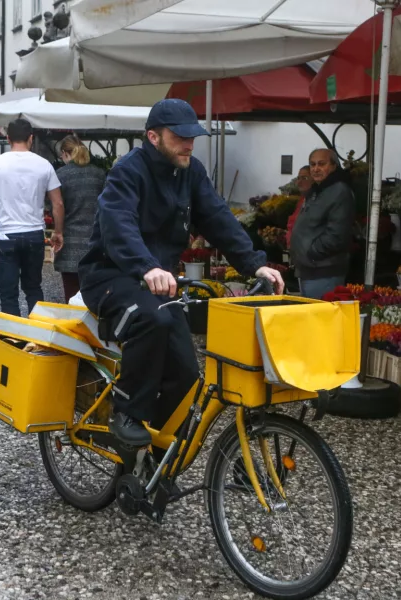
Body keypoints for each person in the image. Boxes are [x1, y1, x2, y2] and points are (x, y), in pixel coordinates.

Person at [78, 99, 284, 446]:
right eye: (180, 136)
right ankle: (126, 412)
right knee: (152, 321)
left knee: (188, 376)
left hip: (159, 286)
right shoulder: (128, 171)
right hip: (110, 276)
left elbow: (218, 218)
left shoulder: (191, 172)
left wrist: (254, 263)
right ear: (153, 137)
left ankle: (154, 459)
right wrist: (147, 267)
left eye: (193, 136)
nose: (189, 143)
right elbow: (118, 225)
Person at [0, 119, 65, 316]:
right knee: (33, 288)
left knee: (8, 293)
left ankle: (13, 340)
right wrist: (59, 232)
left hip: (5, 236)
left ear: (8, 138)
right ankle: (37, 336)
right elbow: (58, 204)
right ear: (31, 138)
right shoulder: (44, 165)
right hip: (34, 234)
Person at [289, 148, 355, 300]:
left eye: (321, 164)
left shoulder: (339, 191)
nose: (316, 169)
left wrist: (312, 253)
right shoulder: (319, 190)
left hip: (324, 271)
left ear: (333, 166)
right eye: (312, 165)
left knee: (320, 319)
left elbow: (337, 235)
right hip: (310, 270)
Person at [55, 135, 106, 302]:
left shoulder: (61, 175)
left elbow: (56, 206)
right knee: (93, 293)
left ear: (65, 153)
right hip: (95, 242)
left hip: (70, 241)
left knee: (71, 295)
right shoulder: (99, 174)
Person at [285, 165, 312, 249]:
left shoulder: (319, 202)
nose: (298, 183)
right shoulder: (303, 199)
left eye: (304, 178)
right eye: (298, 178)